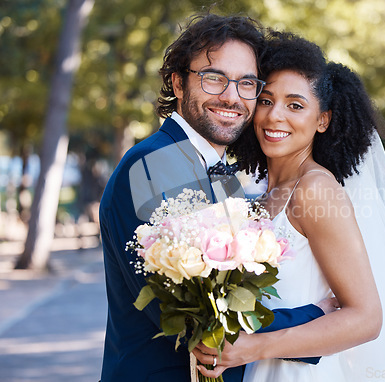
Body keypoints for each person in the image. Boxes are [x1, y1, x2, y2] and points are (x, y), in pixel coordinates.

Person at [194, 32, 385, 381]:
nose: (275, 116)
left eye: (295, 105)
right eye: (265, 100)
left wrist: (256, 346)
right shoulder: (261, 196)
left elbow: (366, 318)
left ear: (322, 120)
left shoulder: (315, 190)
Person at [99, 15, 329, 382]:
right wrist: (318, 317)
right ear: (177, 82)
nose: (231, 96)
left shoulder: (221, 172)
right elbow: (195, 317)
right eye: (214, 78)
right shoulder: (153, 165)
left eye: (247, 84)